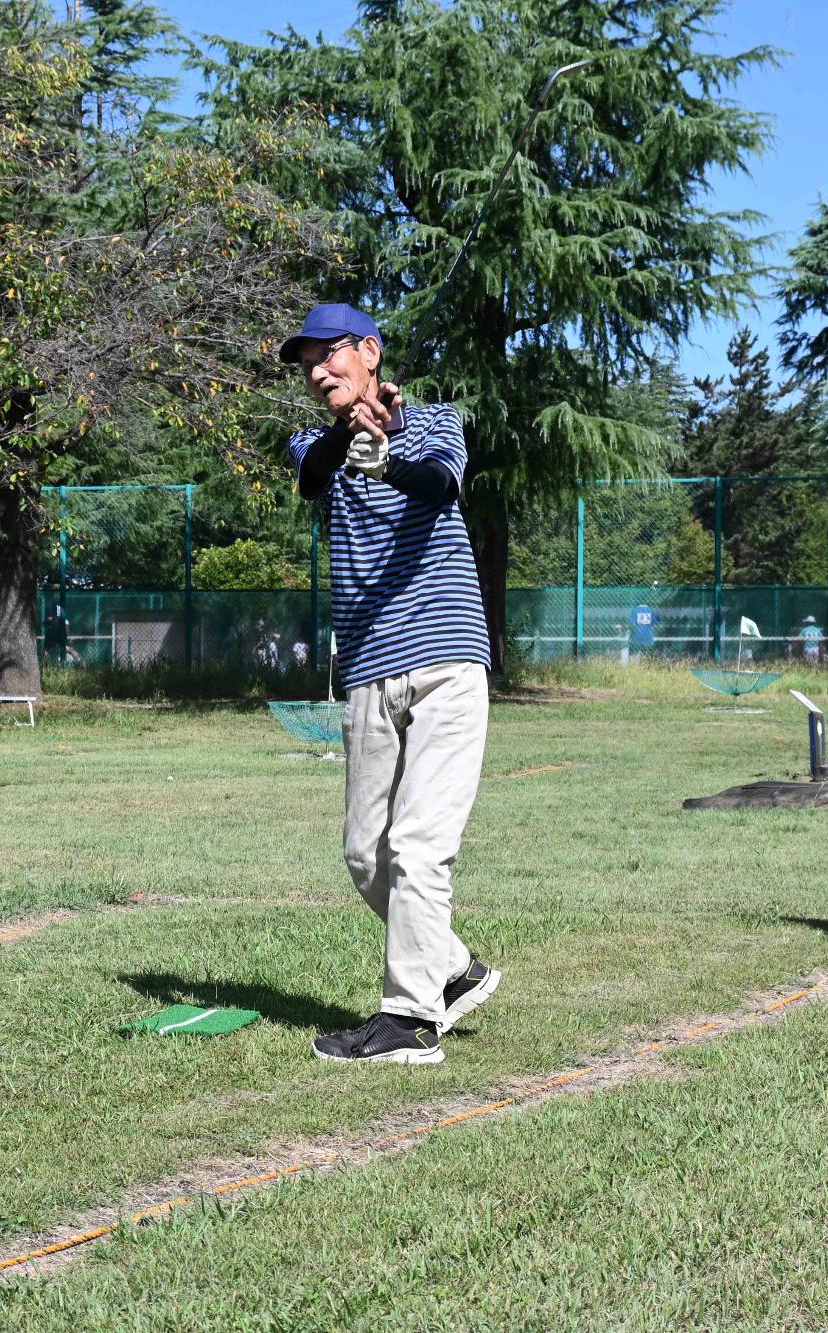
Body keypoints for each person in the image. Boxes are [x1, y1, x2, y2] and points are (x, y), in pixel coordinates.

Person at [283, 302, 500, 1064]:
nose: (316, 371)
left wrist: (391, 452)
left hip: (446, 661)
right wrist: (352, 439)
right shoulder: (314, 442)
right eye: (307, 362)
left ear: (369, 351)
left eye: (329, 354)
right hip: (369, 672)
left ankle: (409, 1022)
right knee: (364, 855)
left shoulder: (436, 421)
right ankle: (453, 968)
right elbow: (312, 478)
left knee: (417, 844)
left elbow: (440, 486)